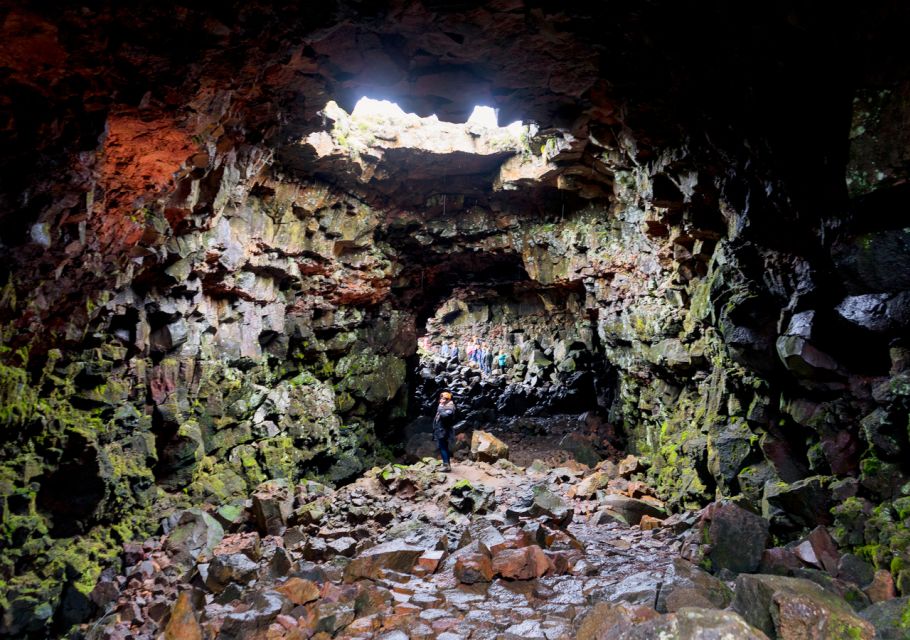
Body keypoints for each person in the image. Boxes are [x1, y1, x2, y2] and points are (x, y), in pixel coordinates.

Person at [433, 391, 457, 471]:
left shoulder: (450, 407)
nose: (441, 399)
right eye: (441, 398)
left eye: (443, 398)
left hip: (444, 430)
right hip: (441, 429)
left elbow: (445, 416)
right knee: (443, 447)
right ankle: (447, 464)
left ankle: (446, 466)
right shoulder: (445, 406)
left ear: (447, 399)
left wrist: (440, 406)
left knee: (443, 447)